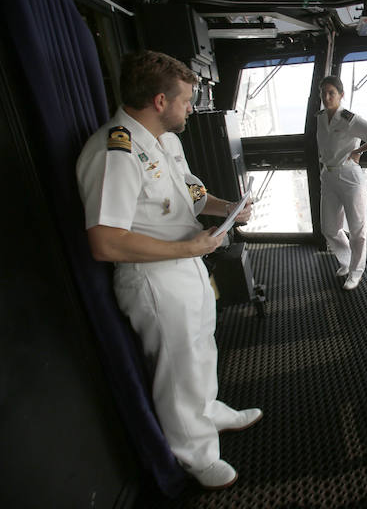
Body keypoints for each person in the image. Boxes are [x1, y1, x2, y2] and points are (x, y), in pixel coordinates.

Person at [75, 50, 262, 490]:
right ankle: (195, 455)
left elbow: (193, 195)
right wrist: (190, 243)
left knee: (201, 344)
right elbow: (104, 241)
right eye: (185, 100)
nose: (190, 109)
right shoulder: (114, 150)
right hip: (152, 276)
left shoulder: (168, 141)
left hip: (188, 260)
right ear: (160, 101)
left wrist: (229, 207)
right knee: (177, 367)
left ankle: (209, 411)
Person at [316, 75, 367, 290]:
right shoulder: (320, 117)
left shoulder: (348, 118)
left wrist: (358, 151)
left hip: (349, 177)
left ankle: (356, 272)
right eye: (324, 93)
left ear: (341, 95)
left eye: (332, 93)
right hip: (328, 176)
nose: (327, 97)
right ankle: (346, 261)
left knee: (357, 230)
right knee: (329, 228)